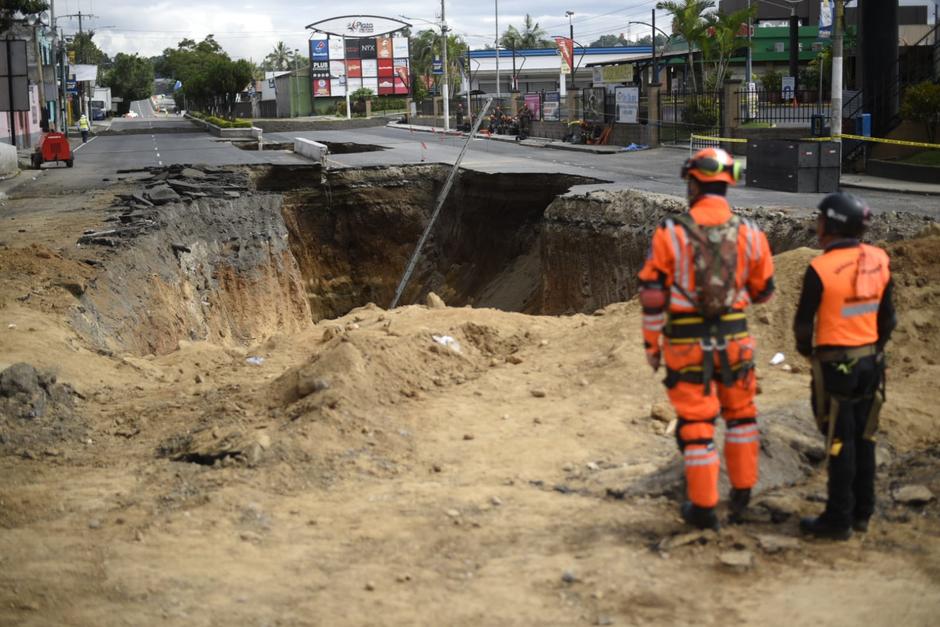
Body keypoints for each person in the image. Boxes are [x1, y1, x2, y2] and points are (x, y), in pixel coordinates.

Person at [637, 147, 775, 531]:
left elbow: (652, 295)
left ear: (694, 183)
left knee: (697, 425)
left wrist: (651, 345)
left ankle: (702, 508)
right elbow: (764, 291)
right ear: (727, 184)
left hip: (684, 342)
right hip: (735, 339)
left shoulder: (670, 232)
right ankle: (743, 494)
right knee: (742, 416)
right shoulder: (750, 231)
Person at [794, 192, 895, 540]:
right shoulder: (880, 260)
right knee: (865, 437)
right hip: (870, 364)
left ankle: (837, 519)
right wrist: (874, 348)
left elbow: (804, 325)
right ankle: (862, 512)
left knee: (840, 441)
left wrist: (808, 352)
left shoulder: (820, 268)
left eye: (821, 219)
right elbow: (888, 319)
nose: (817, 225)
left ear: (832, 224)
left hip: (836, 367)